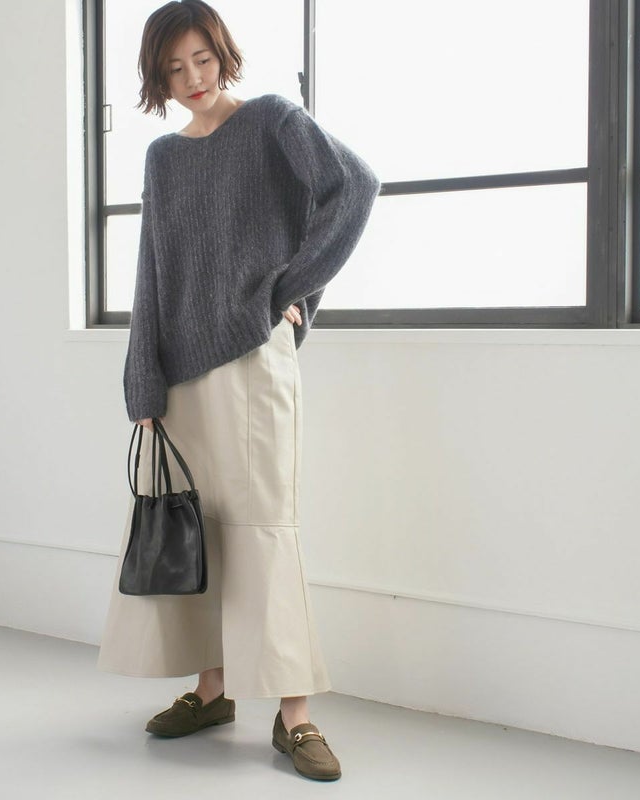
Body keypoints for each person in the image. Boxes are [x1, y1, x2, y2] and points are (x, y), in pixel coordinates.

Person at [96, 0, 380, 782]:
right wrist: (142, 378)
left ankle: (296, 715)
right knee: (201, 529)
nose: (192, 77)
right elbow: (152, 271)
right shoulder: (163, 157)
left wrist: (290, 289)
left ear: (223, 54)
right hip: (180, 372)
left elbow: (355, 188)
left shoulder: (271, 121)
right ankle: (212, 689)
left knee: (264, 529)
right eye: (173, 67)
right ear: (157, 78)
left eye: (202, 59)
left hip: (253, 362)